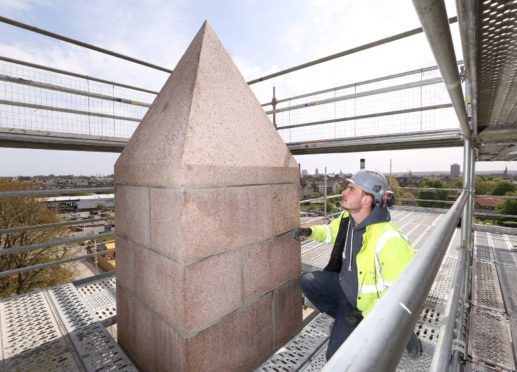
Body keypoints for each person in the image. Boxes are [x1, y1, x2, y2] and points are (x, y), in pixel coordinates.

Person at [292, 169, 421, 360]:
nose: (344, 192)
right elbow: (330, 232)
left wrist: (375, 322)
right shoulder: (348, 220)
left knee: (336, 359)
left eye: (351, 189)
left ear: (367, 200)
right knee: (308, 281)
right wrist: (310, 232)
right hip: (346, 291)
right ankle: (348, 324)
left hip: (367, 307)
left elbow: (403, 296)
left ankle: (395, 335)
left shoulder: (390, 240)